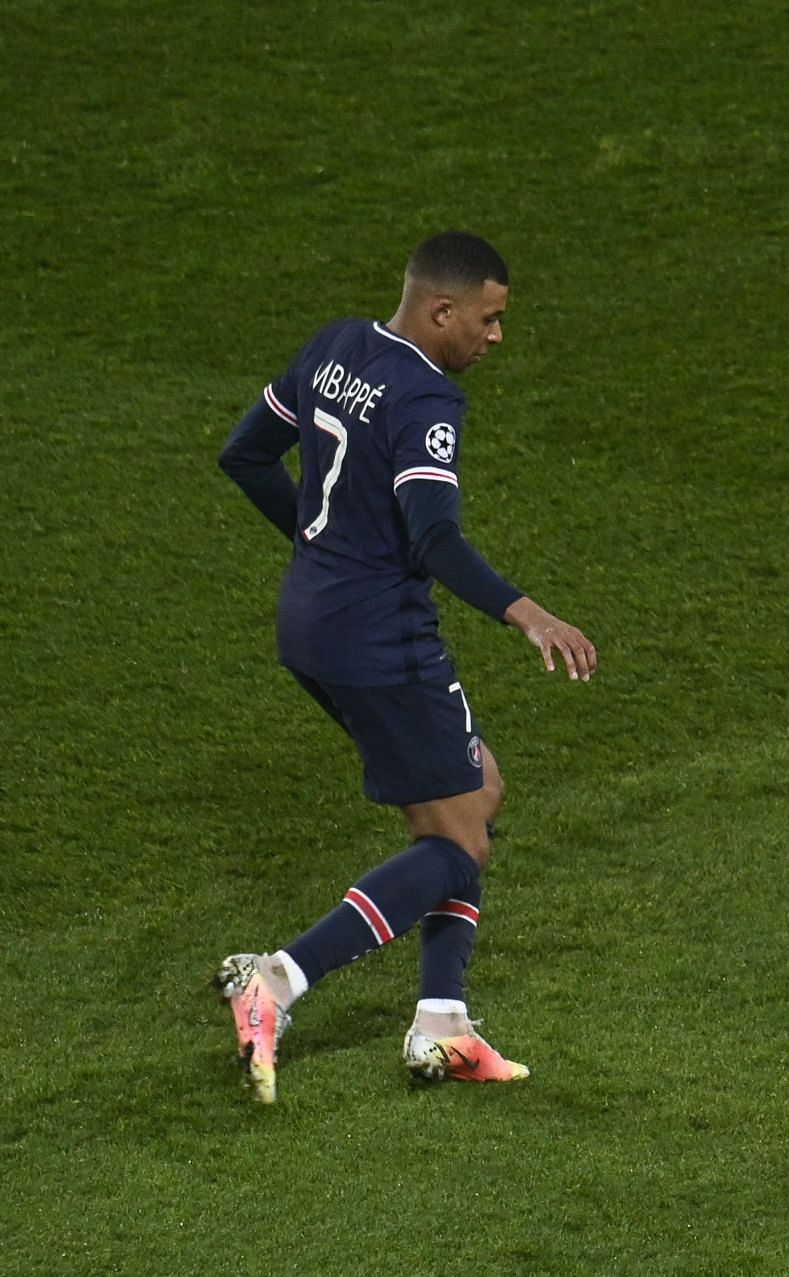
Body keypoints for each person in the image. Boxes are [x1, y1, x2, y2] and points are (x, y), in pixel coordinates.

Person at [213, 231, 597, 1103]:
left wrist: (326, 546)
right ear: (442, 310)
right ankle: (277, 980)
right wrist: (526, 610)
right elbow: (433, 536)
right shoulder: (427, 398)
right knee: (461, 842)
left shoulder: (335, 344)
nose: (495, 338)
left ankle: (442, 1022)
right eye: (490, 320)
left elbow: (243, 453)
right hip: (380, 639)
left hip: (308, 620)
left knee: (476, 791)